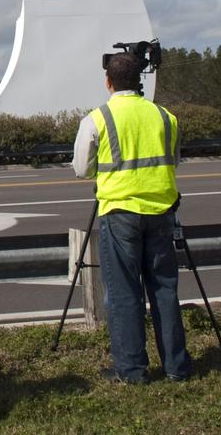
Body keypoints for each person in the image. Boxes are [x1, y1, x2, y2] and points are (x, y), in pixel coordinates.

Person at [72, 53, 192, 384]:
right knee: (164, 289)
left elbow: (82, 169)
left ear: (108, 82)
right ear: (141, 81)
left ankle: (132, 370)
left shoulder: (98, 118)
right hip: (161, 212)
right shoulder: (166, 117)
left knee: (125, 294)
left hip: (120, 212)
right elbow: (174, 159)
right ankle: (176, 366)